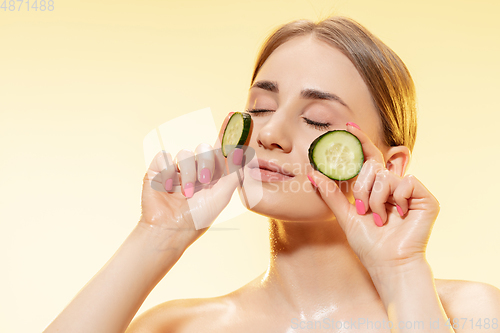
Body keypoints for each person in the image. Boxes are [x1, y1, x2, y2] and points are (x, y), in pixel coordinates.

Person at [43, 16, 500, 333]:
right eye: (261, 108)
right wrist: (157, 235)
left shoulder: (467, 313)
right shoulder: (175, 326)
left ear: (390, 166)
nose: (271, 133)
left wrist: (402, 270)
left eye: (318, 120)